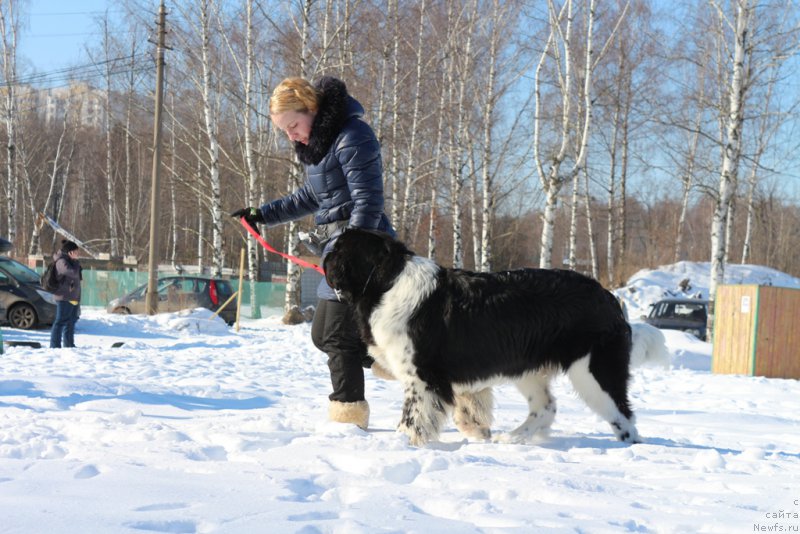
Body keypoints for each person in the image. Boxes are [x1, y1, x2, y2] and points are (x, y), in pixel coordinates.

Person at [231, 76, 394, 430]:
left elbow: (369, 200)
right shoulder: (323, 147)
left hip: (364, 248)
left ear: (312, 109)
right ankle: (407, 364)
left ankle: (348, 414)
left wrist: (354, 250)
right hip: (340, 248)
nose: (291, 135)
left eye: (293, 125)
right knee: (324, 335)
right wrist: (262, 214)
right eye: (284, 131)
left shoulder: (353, 136)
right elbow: (309, 197)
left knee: (337, 336)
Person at [49, 240, 82, 349]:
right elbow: (72, 272)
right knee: (60, 322)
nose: (78, 253)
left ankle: (69, 345)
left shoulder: (70, 260)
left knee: (70, 322)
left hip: (72, 296)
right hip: (64, 296)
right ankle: (54, 346)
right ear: (70, 252)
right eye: (76, 251)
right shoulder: (61, 261)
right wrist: (76, 262)